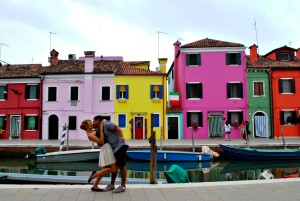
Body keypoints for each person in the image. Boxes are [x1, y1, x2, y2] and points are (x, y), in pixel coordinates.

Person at [93, 115, 129, 193]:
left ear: (98, 120)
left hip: (120, 146)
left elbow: (117, 128)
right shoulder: (101, 128)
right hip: (114, 148)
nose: (93, 123)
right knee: (115, 166)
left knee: (122, 166)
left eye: (94, 121)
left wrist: (122, 136)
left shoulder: (106, 124)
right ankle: (112, 185)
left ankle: (123, 186)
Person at [80, 119, 117, 192]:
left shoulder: (93, 130)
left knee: (104, 169)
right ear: (86, 126)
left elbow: (99, 142)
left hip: (105, 148)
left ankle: (95, 185)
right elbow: (101, 141)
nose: (91, 124)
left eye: (91, 122)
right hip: (106, 148)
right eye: (90, 123)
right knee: (113, 169)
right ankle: (94, 176)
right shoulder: (90, 135)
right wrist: (100, 129)